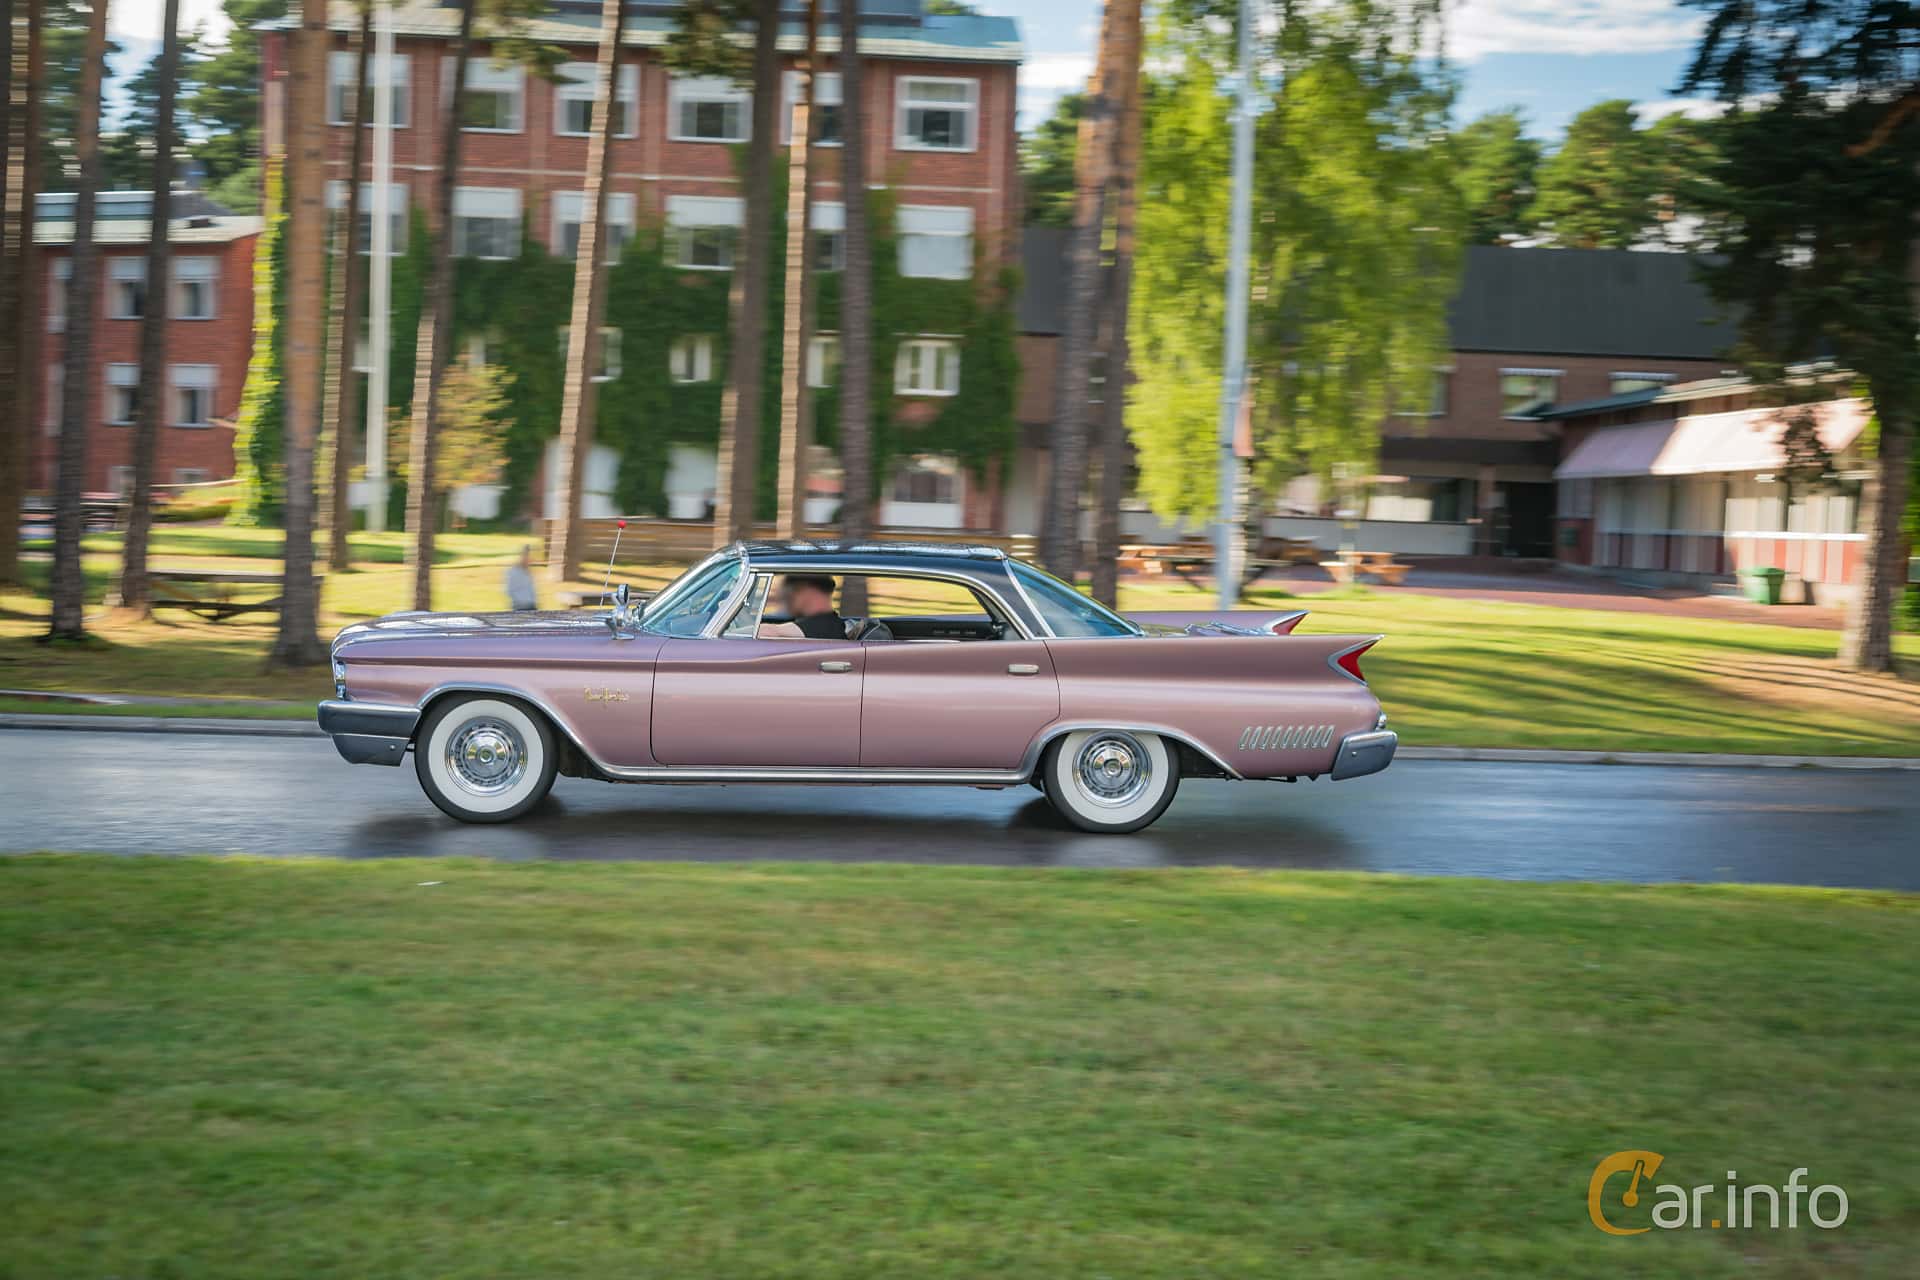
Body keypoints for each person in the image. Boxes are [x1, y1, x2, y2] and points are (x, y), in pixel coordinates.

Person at [758, 573, 845, 639]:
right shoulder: (828, 622)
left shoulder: (823, 625)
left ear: (808, 591)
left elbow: (769, 631)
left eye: (790, 591)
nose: (785, 598)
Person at [505, 545, 538, 612]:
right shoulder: (513, 572)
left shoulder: (528, 572)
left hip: (531, 607)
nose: (531, 560)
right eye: (527, 557)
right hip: (520, 608)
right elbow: (509, 590)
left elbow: (532, 592)